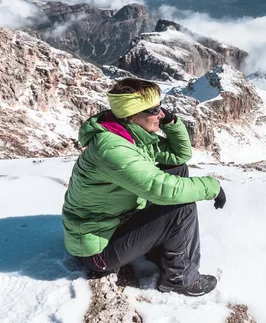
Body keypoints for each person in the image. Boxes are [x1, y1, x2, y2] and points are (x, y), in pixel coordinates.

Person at [62, 78, 226, 297]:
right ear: (132, 114)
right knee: (181, 207)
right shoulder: (112, 148)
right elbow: (160, 189)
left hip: (117, 223)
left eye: (161, 107)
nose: (160, 113)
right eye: (154, 109)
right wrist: (212, 186)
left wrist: (171, 121)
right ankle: (180, 278)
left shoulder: (129, 134)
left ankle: (160, 247)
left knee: (177, 169)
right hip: (96, 252)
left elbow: (179, 155)